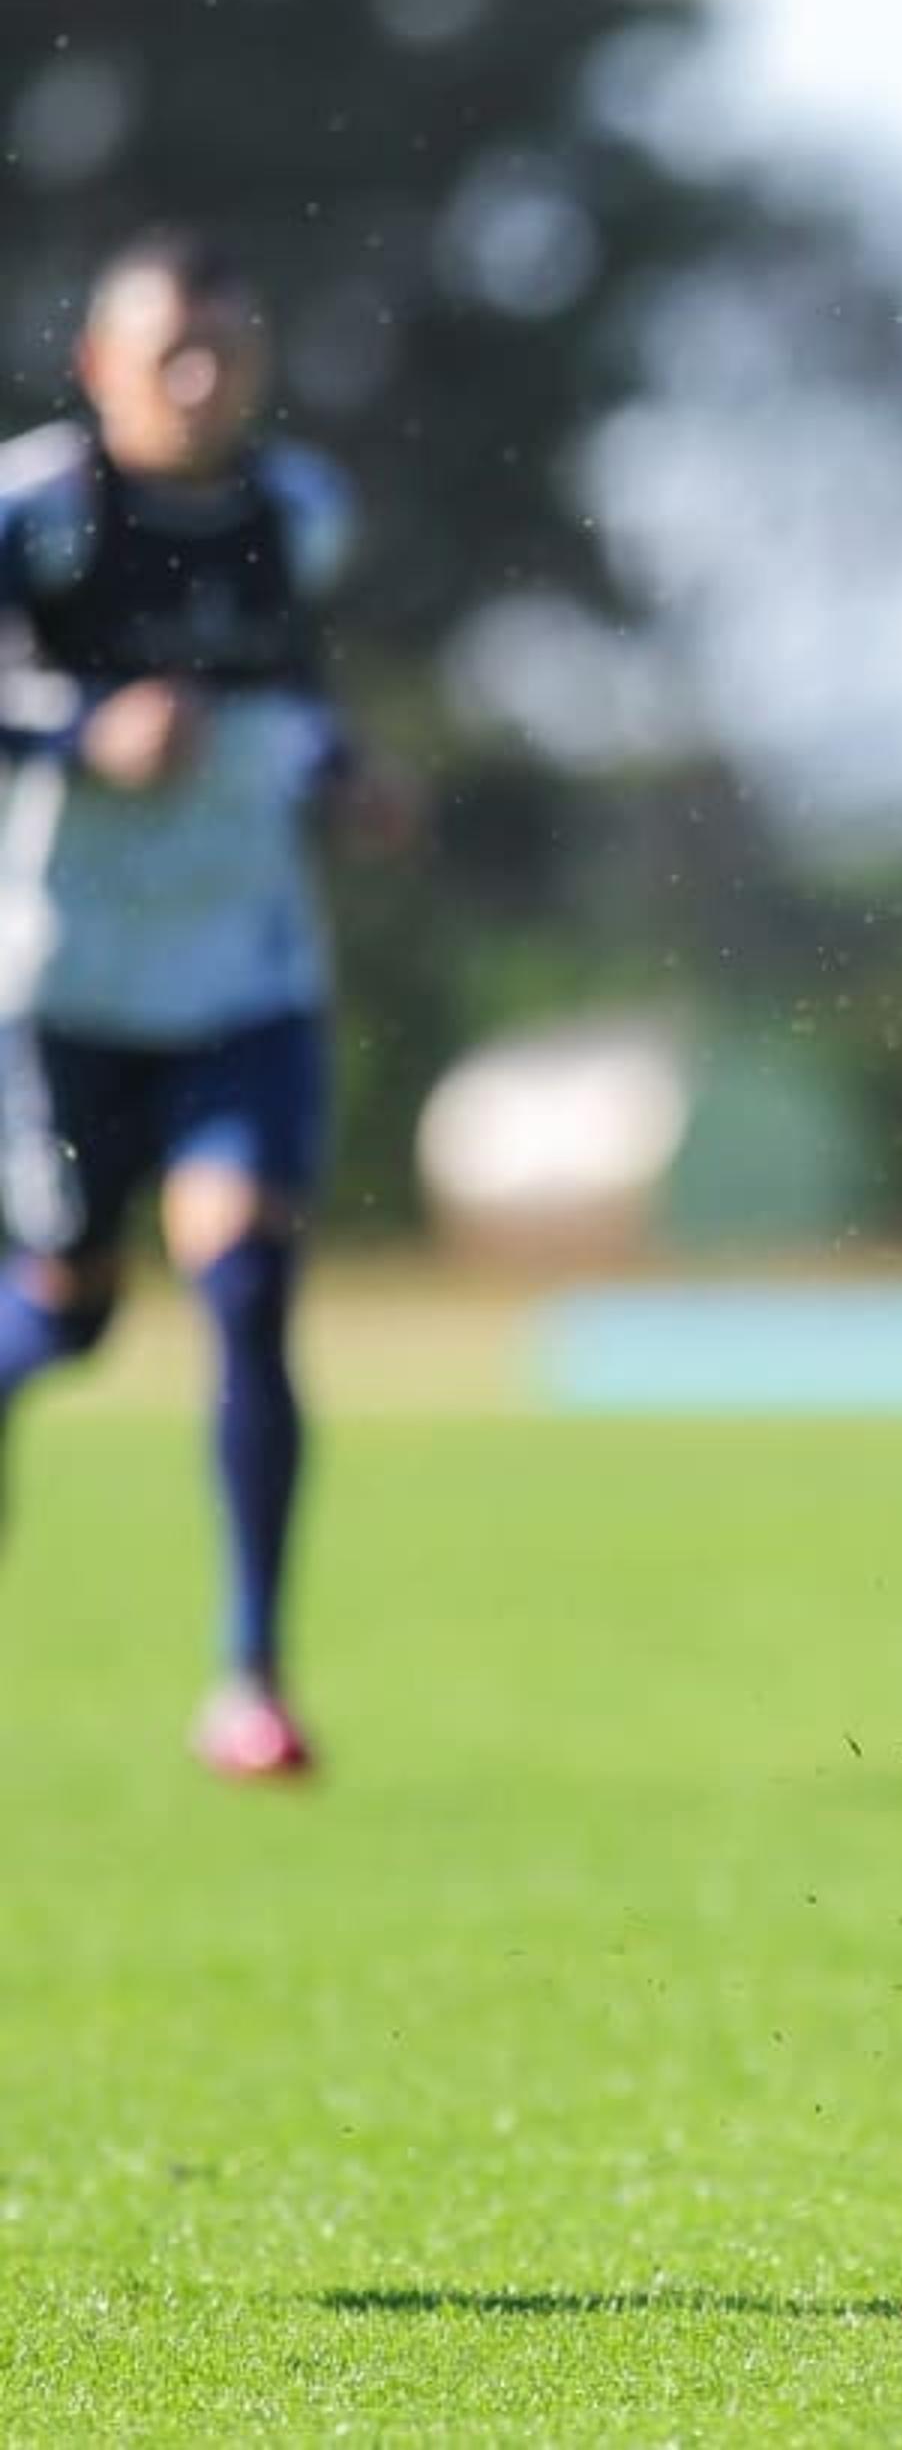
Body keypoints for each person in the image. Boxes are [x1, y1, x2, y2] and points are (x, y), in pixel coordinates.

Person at [0, 228, 408, 1783]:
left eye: (224, 349)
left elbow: (287, 702)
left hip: (246, 974)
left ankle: (251, 1675)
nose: (198, 377)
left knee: (242, 1277)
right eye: (167, 349)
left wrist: (351, 774)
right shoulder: (37, 514)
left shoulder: (294, 516)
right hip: (71, 983)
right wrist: (76, 734)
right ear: (99, 365)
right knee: (70, 1304)